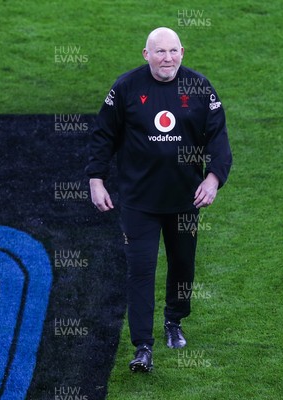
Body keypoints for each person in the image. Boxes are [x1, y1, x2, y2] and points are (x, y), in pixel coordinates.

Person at [86, 27, 232, 372]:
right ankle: (142, 346)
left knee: (182, 266)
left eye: (173, 51)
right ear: (145, 54)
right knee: (140, 270)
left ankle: (174, 321)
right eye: (159, 52)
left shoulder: (199, 87)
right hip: (139, 201)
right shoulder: (125, 88)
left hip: (185, 200)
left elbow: (218, 138)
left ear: (182, 51)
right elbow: (103, 135)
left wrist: (213, 178)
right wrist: (96, 180)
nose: (167, 59)